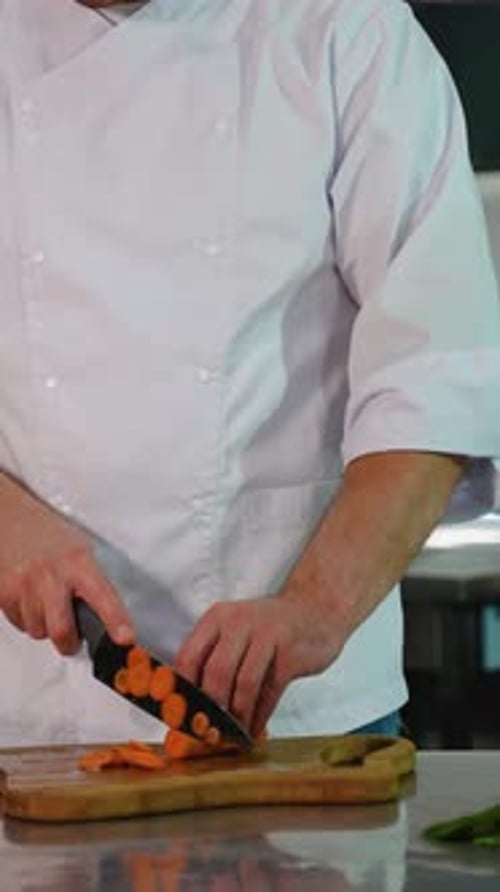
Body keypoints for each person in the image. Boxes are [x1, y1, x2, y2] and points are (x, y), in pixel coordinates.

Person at [0, 0, 499, 747]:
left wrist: (317, 607)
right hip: (24, 704)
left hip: (293, 711)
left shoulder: (349, 30)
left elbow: (435, 377)